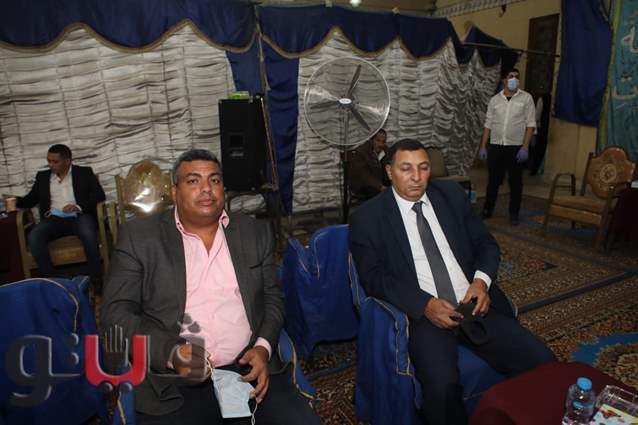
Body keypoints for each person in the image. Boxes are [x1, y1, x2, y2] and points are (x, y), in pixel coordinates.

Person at [101, 149, 322, 425]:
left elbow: (272, 298)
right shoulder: (141, 238)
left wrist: (263, 347)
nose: (206, 188)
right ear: (174, 191)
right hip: (173, 379)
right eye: (193, 181)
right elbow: (115, 316)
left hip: (248, 369)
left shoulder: (254, 232)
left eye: (214, 180)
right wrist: (171, 354)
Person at [349, 139, 555, 425]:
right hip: (424, 316)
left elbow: (486, 245)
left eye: (423, 168)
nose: (416, 177)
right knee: (443, 389)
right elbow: (373, 277)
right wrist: (425, 305)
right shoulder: (367, 217)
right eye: (406, 169)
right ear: (389, 171)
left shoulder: (451, 195)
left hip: (474, 304)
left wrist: (481, 282)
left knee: (542, 361)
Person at [16, 144, 105, 286]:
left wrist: (78, 207)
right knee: (34, 236)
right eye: (49, 161)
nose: (51, 165)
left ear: (68, 161)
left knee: (88, 231)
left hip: (79, 216)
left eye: (55, 161)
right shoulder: (43, 177)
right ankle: (54, 282)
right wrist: (15, 201)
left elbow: (99, 195)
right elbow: (31, 199)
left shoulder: (84, 172)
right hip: (54, 220)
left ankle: (96, 278)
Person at [478, 68, 536, 225]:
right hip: (496, 146)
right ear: (504, 80)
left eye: (517, 77)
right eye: (511, 77)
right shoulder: (495, 100)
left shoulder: (526, 98)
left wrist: (525, 147)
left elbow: (530, 124)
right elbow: (488, 124)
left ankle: (514, 213)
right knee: (493, 181)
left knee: (515, 182)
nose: (514, 79)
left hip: (516, 148)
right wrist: (483, 146)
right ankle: (487, 209)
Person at [348, 128, 389, 200]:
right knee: (375, 191)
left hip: (378, 182)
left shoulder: (385, 150)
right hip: (363, 185)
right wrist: (380, 187)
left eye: (383, 141)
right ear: (371, 140)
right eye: (378, 141)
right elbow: (364, 176)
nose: (380, 144)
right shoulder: (361, 152)